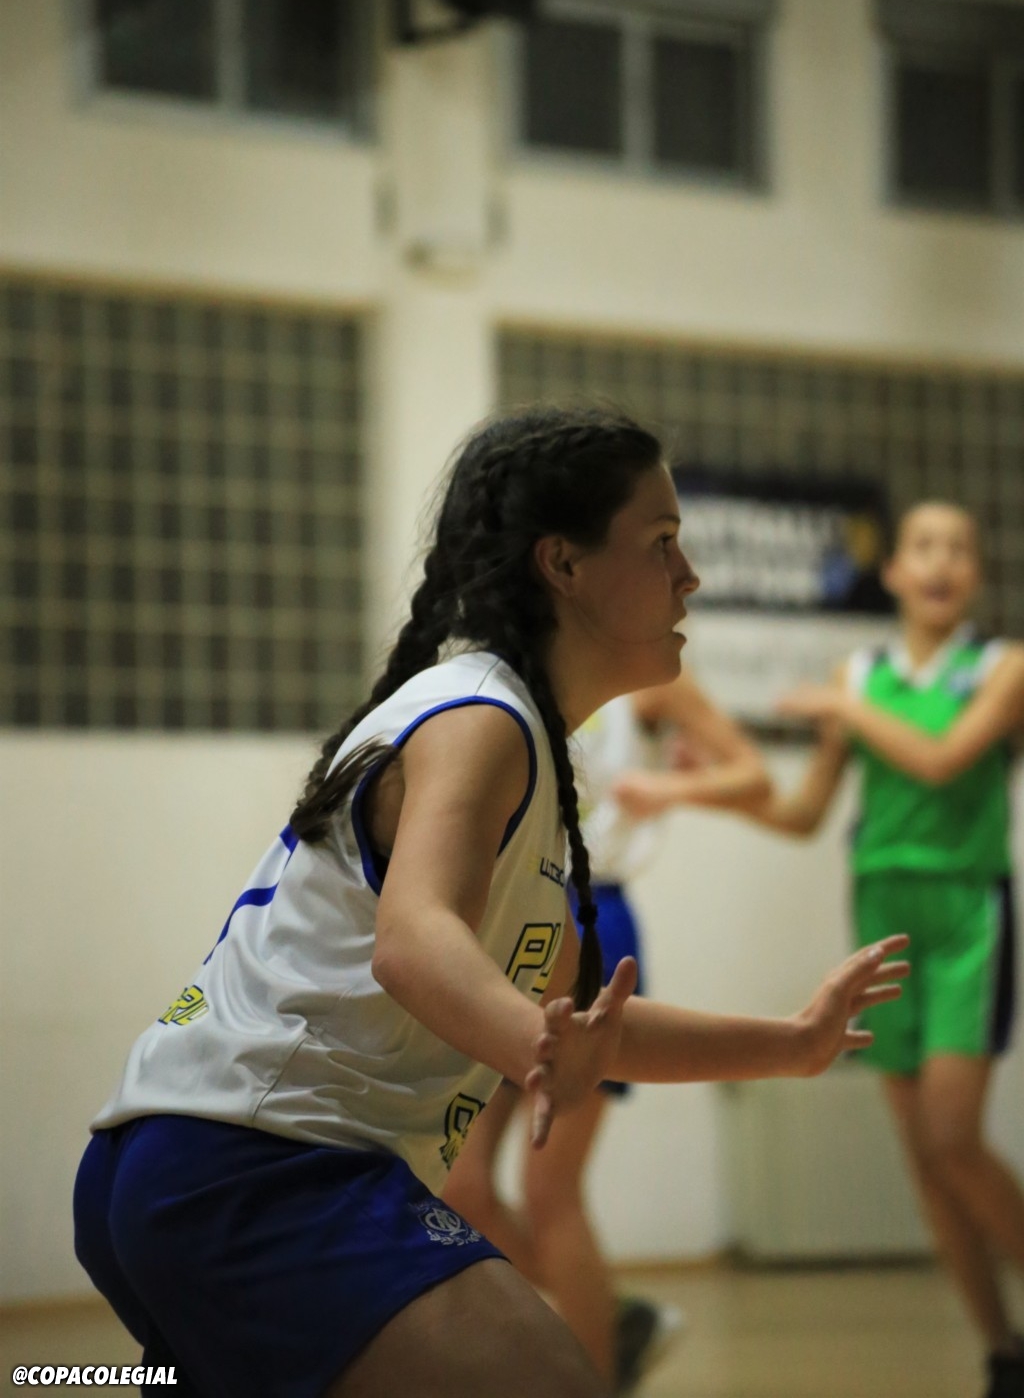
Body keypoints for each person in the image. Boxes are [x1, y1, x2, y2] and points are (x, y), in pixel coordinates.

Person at [72, 407, 908, 1398]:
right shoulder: (482, 718)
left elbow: (587, 1021)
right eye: (660, 542)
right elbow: (412, 941)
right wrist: (534, 1046)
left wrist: (794, 1043)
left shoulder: (525, 744)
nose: (689, 576)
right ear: (564, 563)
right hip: (258, 1165)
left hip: (186, 1159)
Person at [738, 501, 1024, 1398]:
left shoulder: (1002, 667)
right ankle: (1002, 1352)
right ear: (894, 571)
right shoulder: (858, 675)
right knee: (926, 1160)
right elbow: (805, 813)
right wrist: (701, 792)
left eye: (959, 549)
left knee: (954, 1135)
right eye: (924, 547)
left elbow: (940, 760)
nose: (941, 562)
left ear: (975, 576)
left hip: (968, 913)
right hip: (881, 913)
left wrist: (845, 707)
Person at [444, 668, 770, 1392]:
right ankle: (613, 1318)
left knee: (549, 1190)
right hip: (506, 923)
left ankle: (593, 1370)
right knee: (462, 1186)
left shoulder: (647, 682)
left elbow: (753, 775)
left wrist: (670, 789)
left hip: (593, 917)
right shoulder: (506, 671)